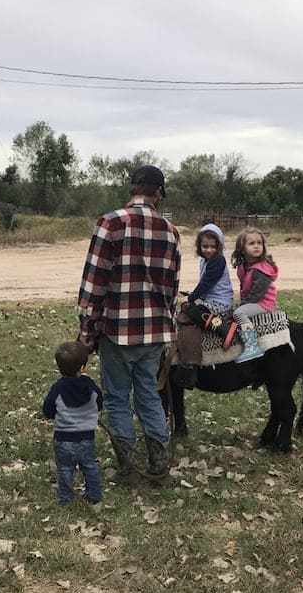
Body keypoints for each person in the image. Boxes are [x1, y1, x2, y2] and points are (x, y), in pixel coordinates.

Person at [77, 164, 181, 485]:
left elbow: (94, 284)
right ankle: (159, 465)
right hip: (154, 332)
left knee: (118, 397)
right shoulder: (172, 232)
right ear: (158, 193)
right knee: (149, 394)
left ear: (132, 189)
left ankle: (127, 468)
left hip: (116, 332)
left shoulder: (110, 223)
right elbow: (172, 289)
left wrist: (86, 329)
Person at [42, 340, 103, 505]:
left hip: (64, 439)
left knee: (65, 469)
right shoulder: (91, 387)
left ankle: (65, 498)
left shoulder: (57, 389)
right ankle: (95, 495)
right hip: (87, 438)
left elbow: (48, 410)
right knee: (89, 465)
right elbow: (99, 403)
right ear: (83, 367)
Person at [175, 223, 235, 388]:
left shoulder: (218, 261)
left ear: (219, 246)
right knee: (189, 306)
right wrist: (190, 296)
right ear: (199, 247)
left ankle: (222, 328)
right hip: (210, 299)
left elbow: (206, 284)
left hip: (220, 303)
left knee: (192, 311)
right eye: (205, 246)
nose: (209, 250)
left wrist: (191, 298)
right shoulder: (205, 261)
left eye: (213, 247)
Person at [230, 227, 278, 363]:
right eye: (251, 243)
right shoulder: (242, 266)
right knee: (237, 310)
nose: (256, 246)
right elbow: (244, 287)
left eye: (259, 243)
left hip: (263, 302)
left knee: (239, 314)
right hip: (252, 301)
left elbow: (257, 294)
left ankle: (252, 346)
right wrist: (242, 302)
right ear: (242, 248)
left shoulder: (261, 269)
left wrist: (243, 306)